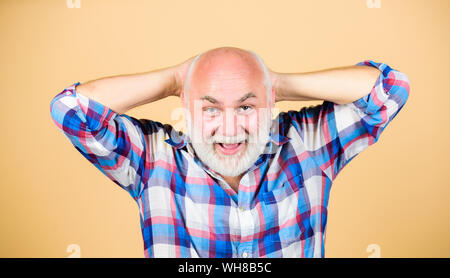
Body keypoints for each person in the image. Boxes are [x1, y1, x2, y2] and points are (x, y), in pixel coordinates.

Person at [49, 46, 410, 258]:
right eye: (210, 109)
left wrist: (276, 83)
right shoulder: (152, 159)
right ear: (187, 108)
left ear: (270, 104)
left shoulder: (306, 145)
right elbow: (71, 110)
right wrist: (176, 79)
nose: (230, 128)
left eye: (245, 107)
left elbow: (390, 89)